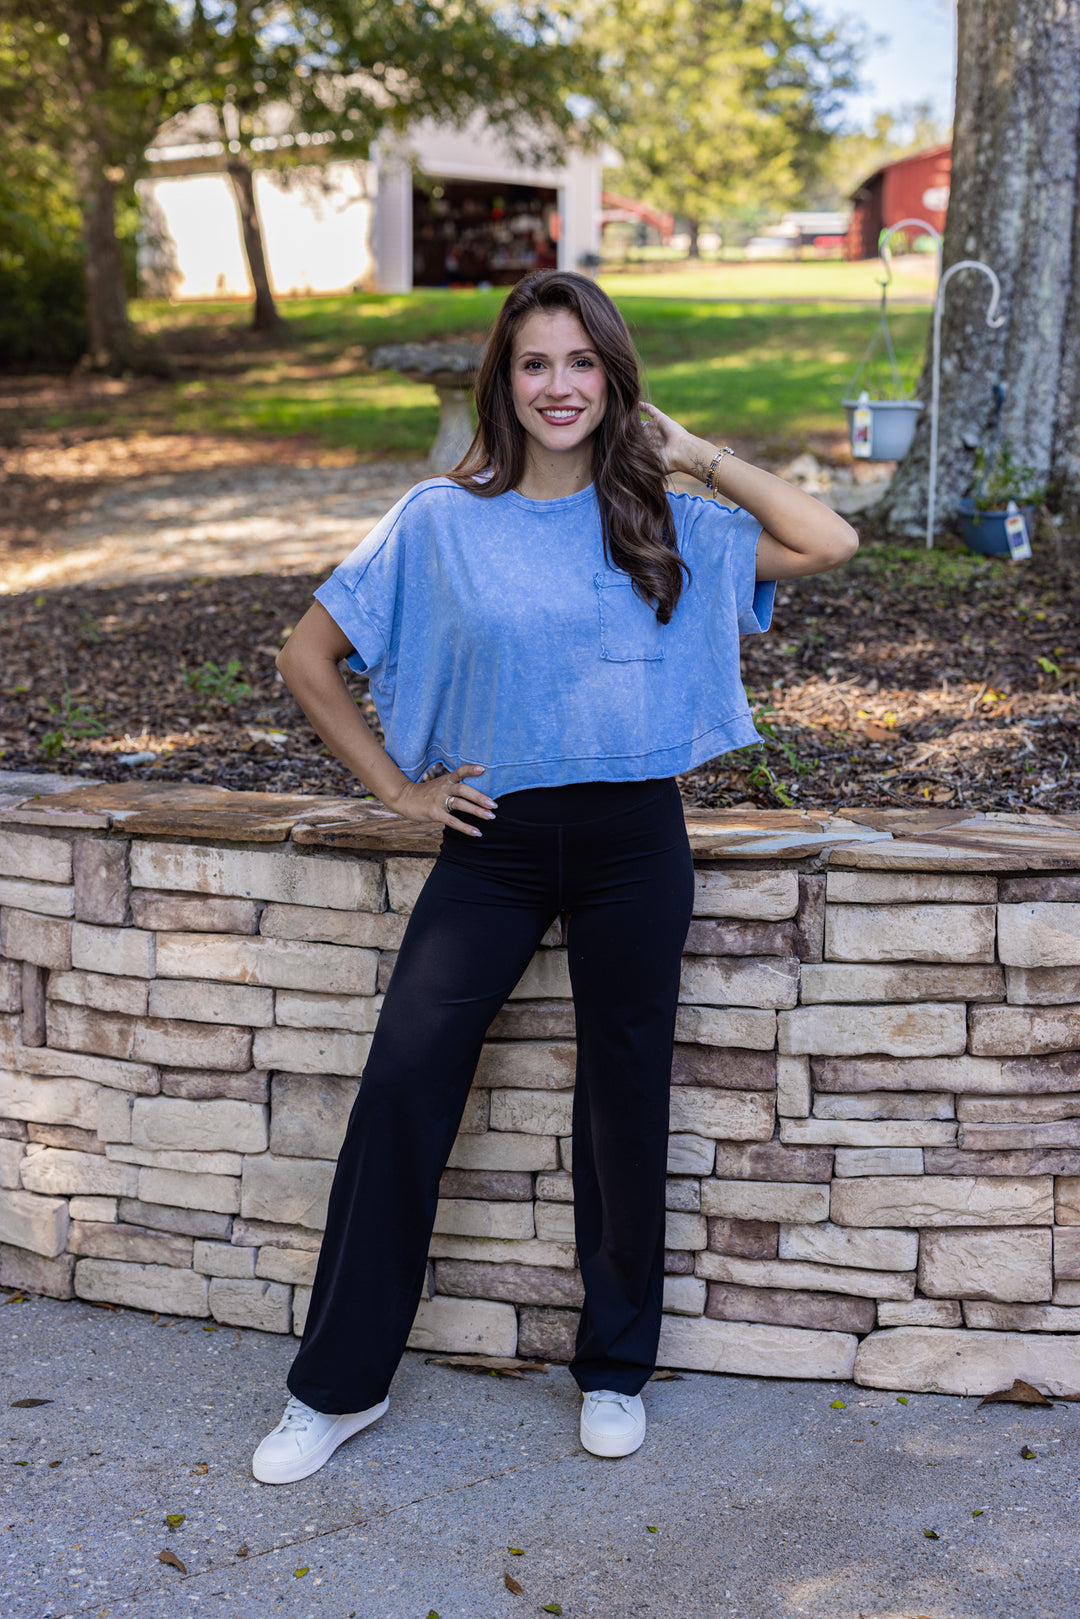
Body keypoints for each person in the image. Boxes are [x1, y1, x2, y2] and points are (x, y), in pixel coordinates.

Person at [252, 270, 858, 1485]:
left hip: (639, 834)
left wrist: (693, 450)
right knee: (405, 1085)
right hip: (496, 839)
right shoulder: (438, 519)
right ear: (505, 382)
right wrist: (399, 790)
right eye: (537, 364)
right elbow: (308, 656)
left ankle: (616, 1366)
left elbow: (829, 538)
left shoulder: (667, 516)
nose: (560, 385)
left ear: (612, 376)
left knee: (624, 1096)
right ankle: (335, 1387)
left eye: (582, 362)